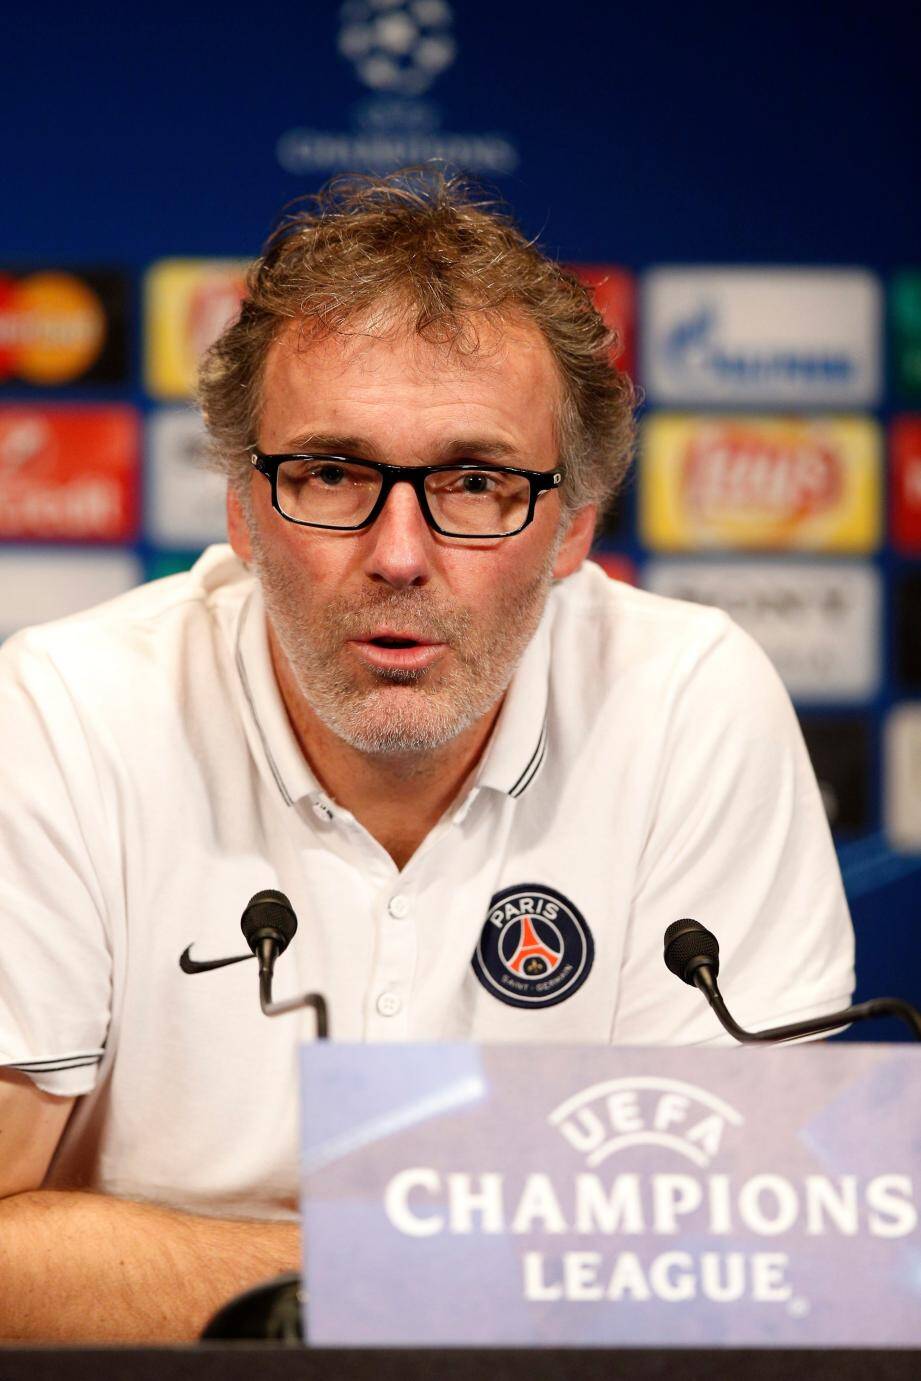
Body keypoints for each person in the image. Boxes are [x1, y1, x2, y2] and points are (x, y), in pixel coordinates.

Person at [0, 169, 854, 1341]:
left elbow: (743, 1255)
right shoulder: (65, 711)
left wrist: (252, 1273)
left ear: (574, 525)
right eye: (335, 474)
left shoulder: (687, 700)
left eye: (474, 481)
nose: (399, 554)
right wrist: (436, 1267)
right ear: (245, 513)